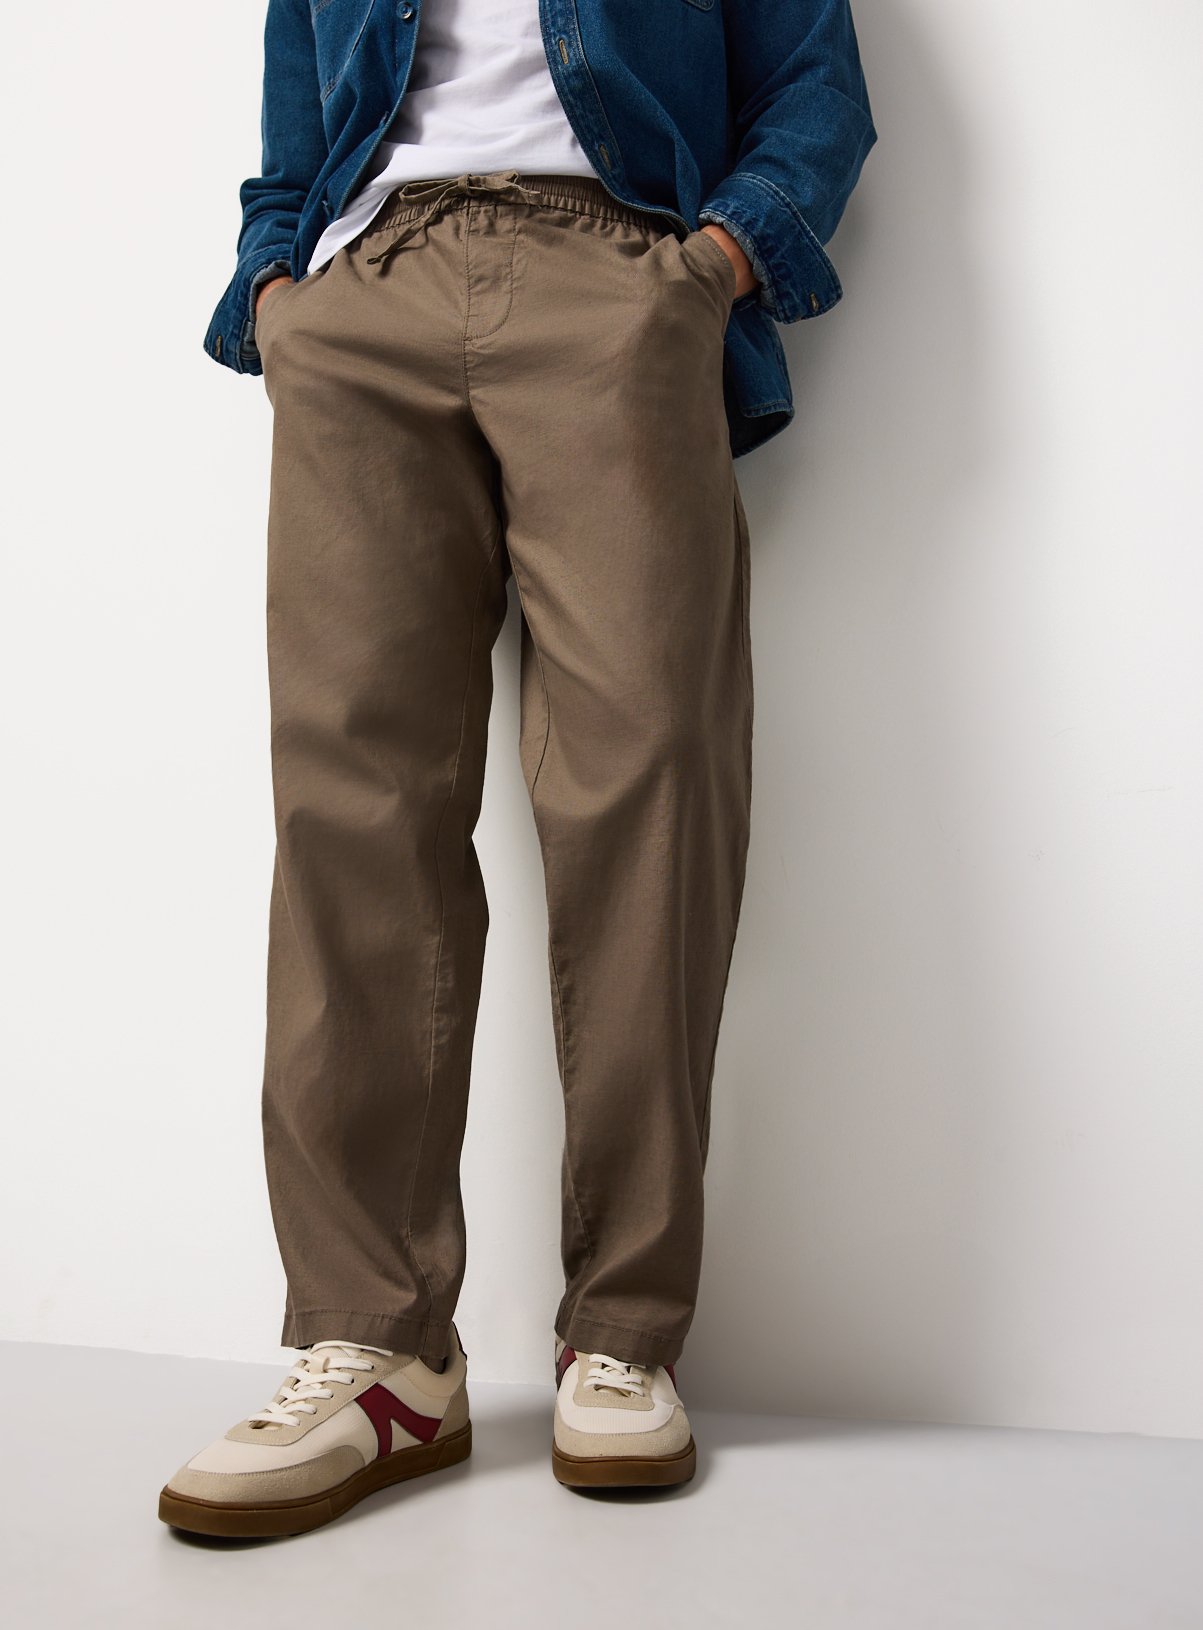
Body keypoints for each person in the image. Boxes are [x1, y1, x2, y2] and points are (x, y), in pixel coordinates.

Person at [159, 0, 876, 1537]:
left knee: (649, 789)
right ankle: (380, 1350)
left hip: (614, 276)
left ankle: (622, 1332)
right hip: (366, 288)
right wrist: (280, 290)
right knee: (350, 813)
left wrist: (707, 271)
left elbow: (818, 90)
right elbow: (296, 127)